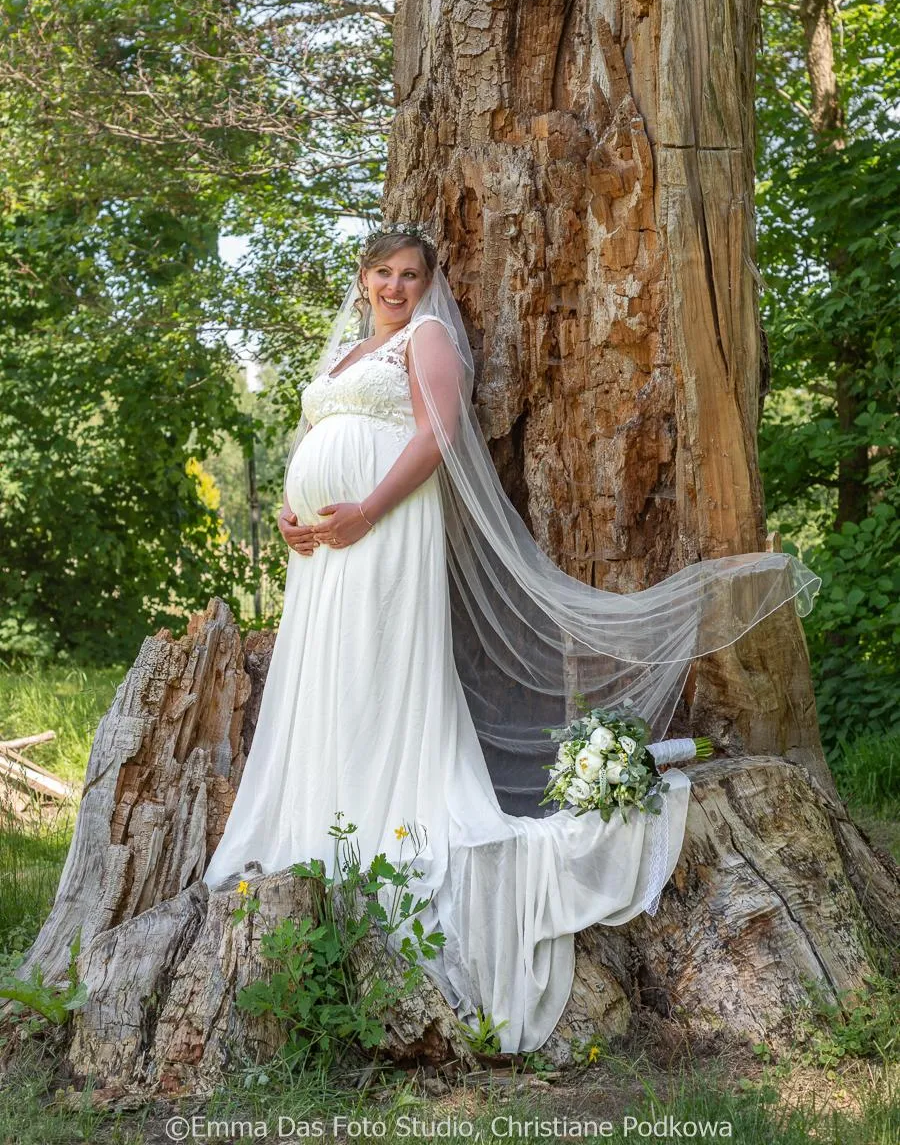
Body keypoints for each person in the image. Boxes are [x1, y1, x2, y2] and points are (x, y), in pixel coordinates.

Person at [202, 222, 821, 1054]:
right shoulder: (347, 354)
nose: (394, 287)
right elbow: (318, 439)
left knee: (373, 675)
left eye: (409, 274)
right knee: (327, 681)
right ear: (362, 278)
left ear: (427, 282)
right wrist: (292, 511)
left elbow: (436, 435)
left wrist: (367, 511)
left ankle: (380, 824)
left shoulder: (427, 339)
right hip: (322, 553)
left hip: (383, 534)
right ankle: (323, 823)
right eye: (382, 272)